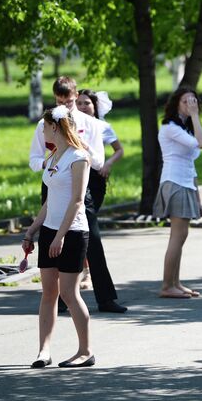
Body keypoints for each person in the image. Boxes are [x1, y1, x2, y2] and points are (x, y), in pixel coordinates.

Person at [29, 77, 126, 313]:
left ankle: (105, 297)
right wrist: (50, 163)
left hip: (84, 181)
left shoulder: (90, 123)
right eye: (60, 101)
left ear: (76, 96)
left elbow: (100, 161)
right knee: (52, 231)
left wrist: (80, 145)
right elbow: (34, 160)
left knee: (90, 236)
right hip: (54, 180)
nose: (65, 106)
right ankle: (59, 297)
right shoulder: (47, 123)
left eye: (70, 101)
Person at [24, 106, 95, 368]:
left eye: (43, 127)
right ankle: (44, 350)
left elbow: (77, 201)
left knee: (69, 293)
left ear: (55, 127)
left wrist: (60, 236)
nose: (41, 132)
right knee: (48, 293)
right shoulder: (54, 157)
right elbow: (50, 201)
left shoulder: (78, 157)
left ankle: (85, 351)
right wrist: (33, 230)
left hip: (73, 232)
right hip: (50, 231)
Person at [154, 87, 202, 298]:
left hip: (184, 182)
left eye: (193, 101)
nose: (190, 104)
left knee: (180, 236)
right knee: (177, 235)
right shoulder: (169, 127)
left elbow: (192, 157)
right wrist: (195, 116)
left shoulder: (185, 128)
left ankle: (175, 282)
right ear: (176, 104)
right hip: (174, 182)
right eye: (185, 101)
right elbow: (201, 144)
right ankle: (167, 286)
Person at [75, 89, 125, 290]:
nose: (82, 106)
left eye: (86, 103)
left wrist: (108, 164)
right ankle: (82, 272)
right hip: (76, 175)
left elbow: (119, 150)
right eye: (78, 103)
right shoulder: (72, 125)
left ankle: (88, 274)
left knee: (88, 224)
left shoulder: (103, 126)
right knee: (80, 227)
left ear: (95, 106)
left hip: (96, 179)